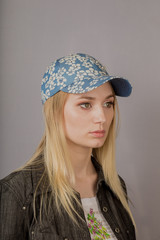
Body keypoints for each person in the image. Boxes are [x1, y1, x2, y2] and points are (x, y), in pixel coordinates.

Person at [0, 53, 136, 240]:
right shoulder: (18, 193)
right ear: (54, 112)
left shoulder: (114, 186)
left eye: (108, 103)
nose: (102, 118)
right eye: (86, 104)